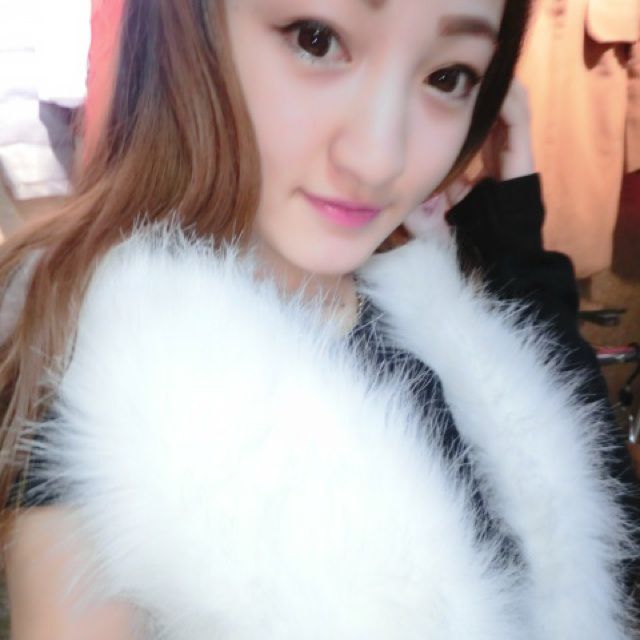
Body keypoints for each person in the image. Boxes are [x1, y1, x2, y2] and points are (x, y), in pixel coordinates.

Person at [0, 1, 634, 638]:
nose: (379, 159)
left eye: (448, 78)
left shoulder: (430, 310)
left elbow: (584, 518)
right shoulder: (109, 422)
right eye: (316, 39)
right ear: (193, 26)